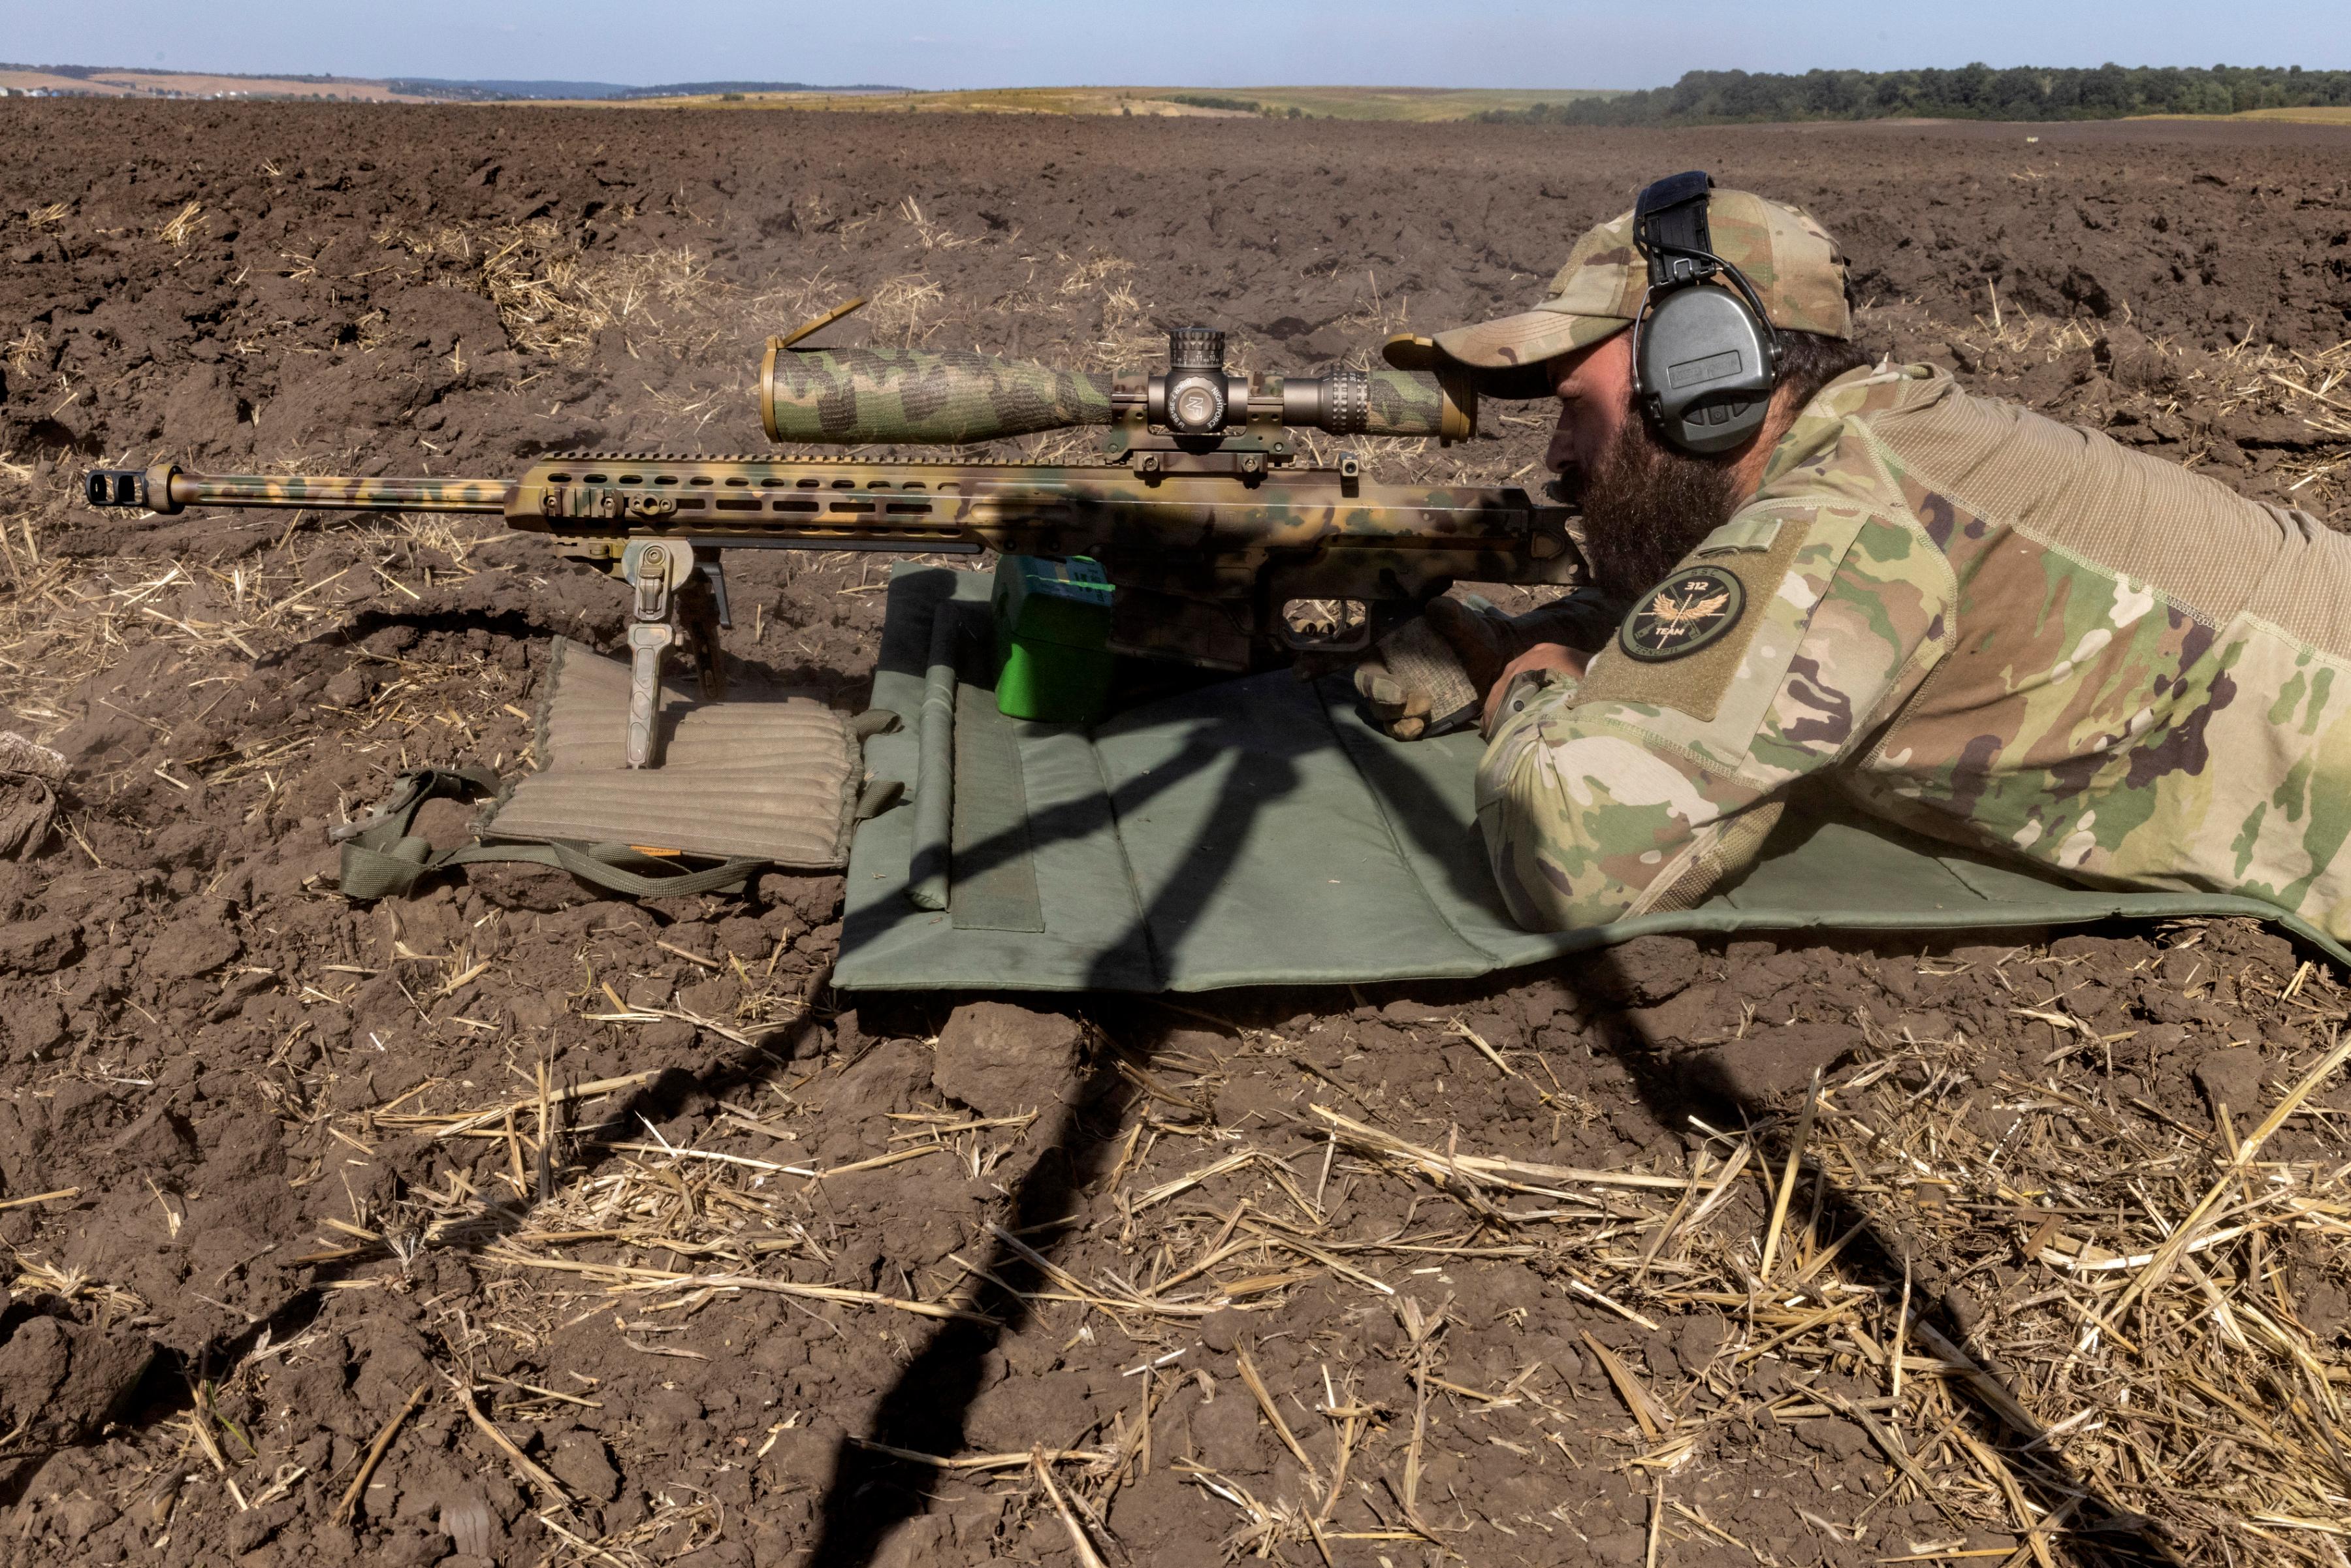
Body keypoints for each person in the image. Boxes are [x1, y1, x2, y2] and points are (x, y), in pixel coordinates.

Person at [1366, 173, 2351, 940]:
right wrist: (1560, 634)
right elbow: (1727, 617)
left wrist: (1523, 688)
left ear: (1702, 371)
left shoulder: (1843, 517)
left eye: (1577, 404)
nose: (1556, 457)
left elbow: (1576, 860)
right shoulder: (1874, 437)